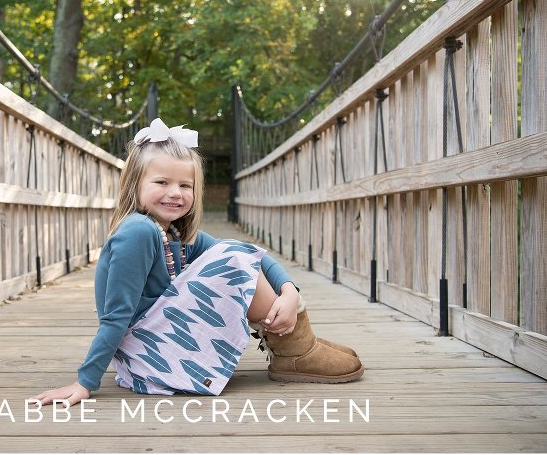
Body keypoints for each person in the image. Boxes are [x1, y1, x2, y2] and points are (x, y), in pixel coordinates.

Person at [32, 118, 363, 408]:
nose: (175, 192)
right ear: (135, 184)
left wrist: (290, 292)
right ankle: (295, 353)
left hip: (161, 346)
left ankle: (299, 344)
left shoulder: (174, 233)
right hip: (152, 356)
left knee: (235, 252)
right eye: (162, 182)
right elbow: (116, 316)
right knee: (231, 258)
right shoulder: (138, 232)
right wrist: (84, 382)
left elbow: (255, 255)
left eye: (185, 185)